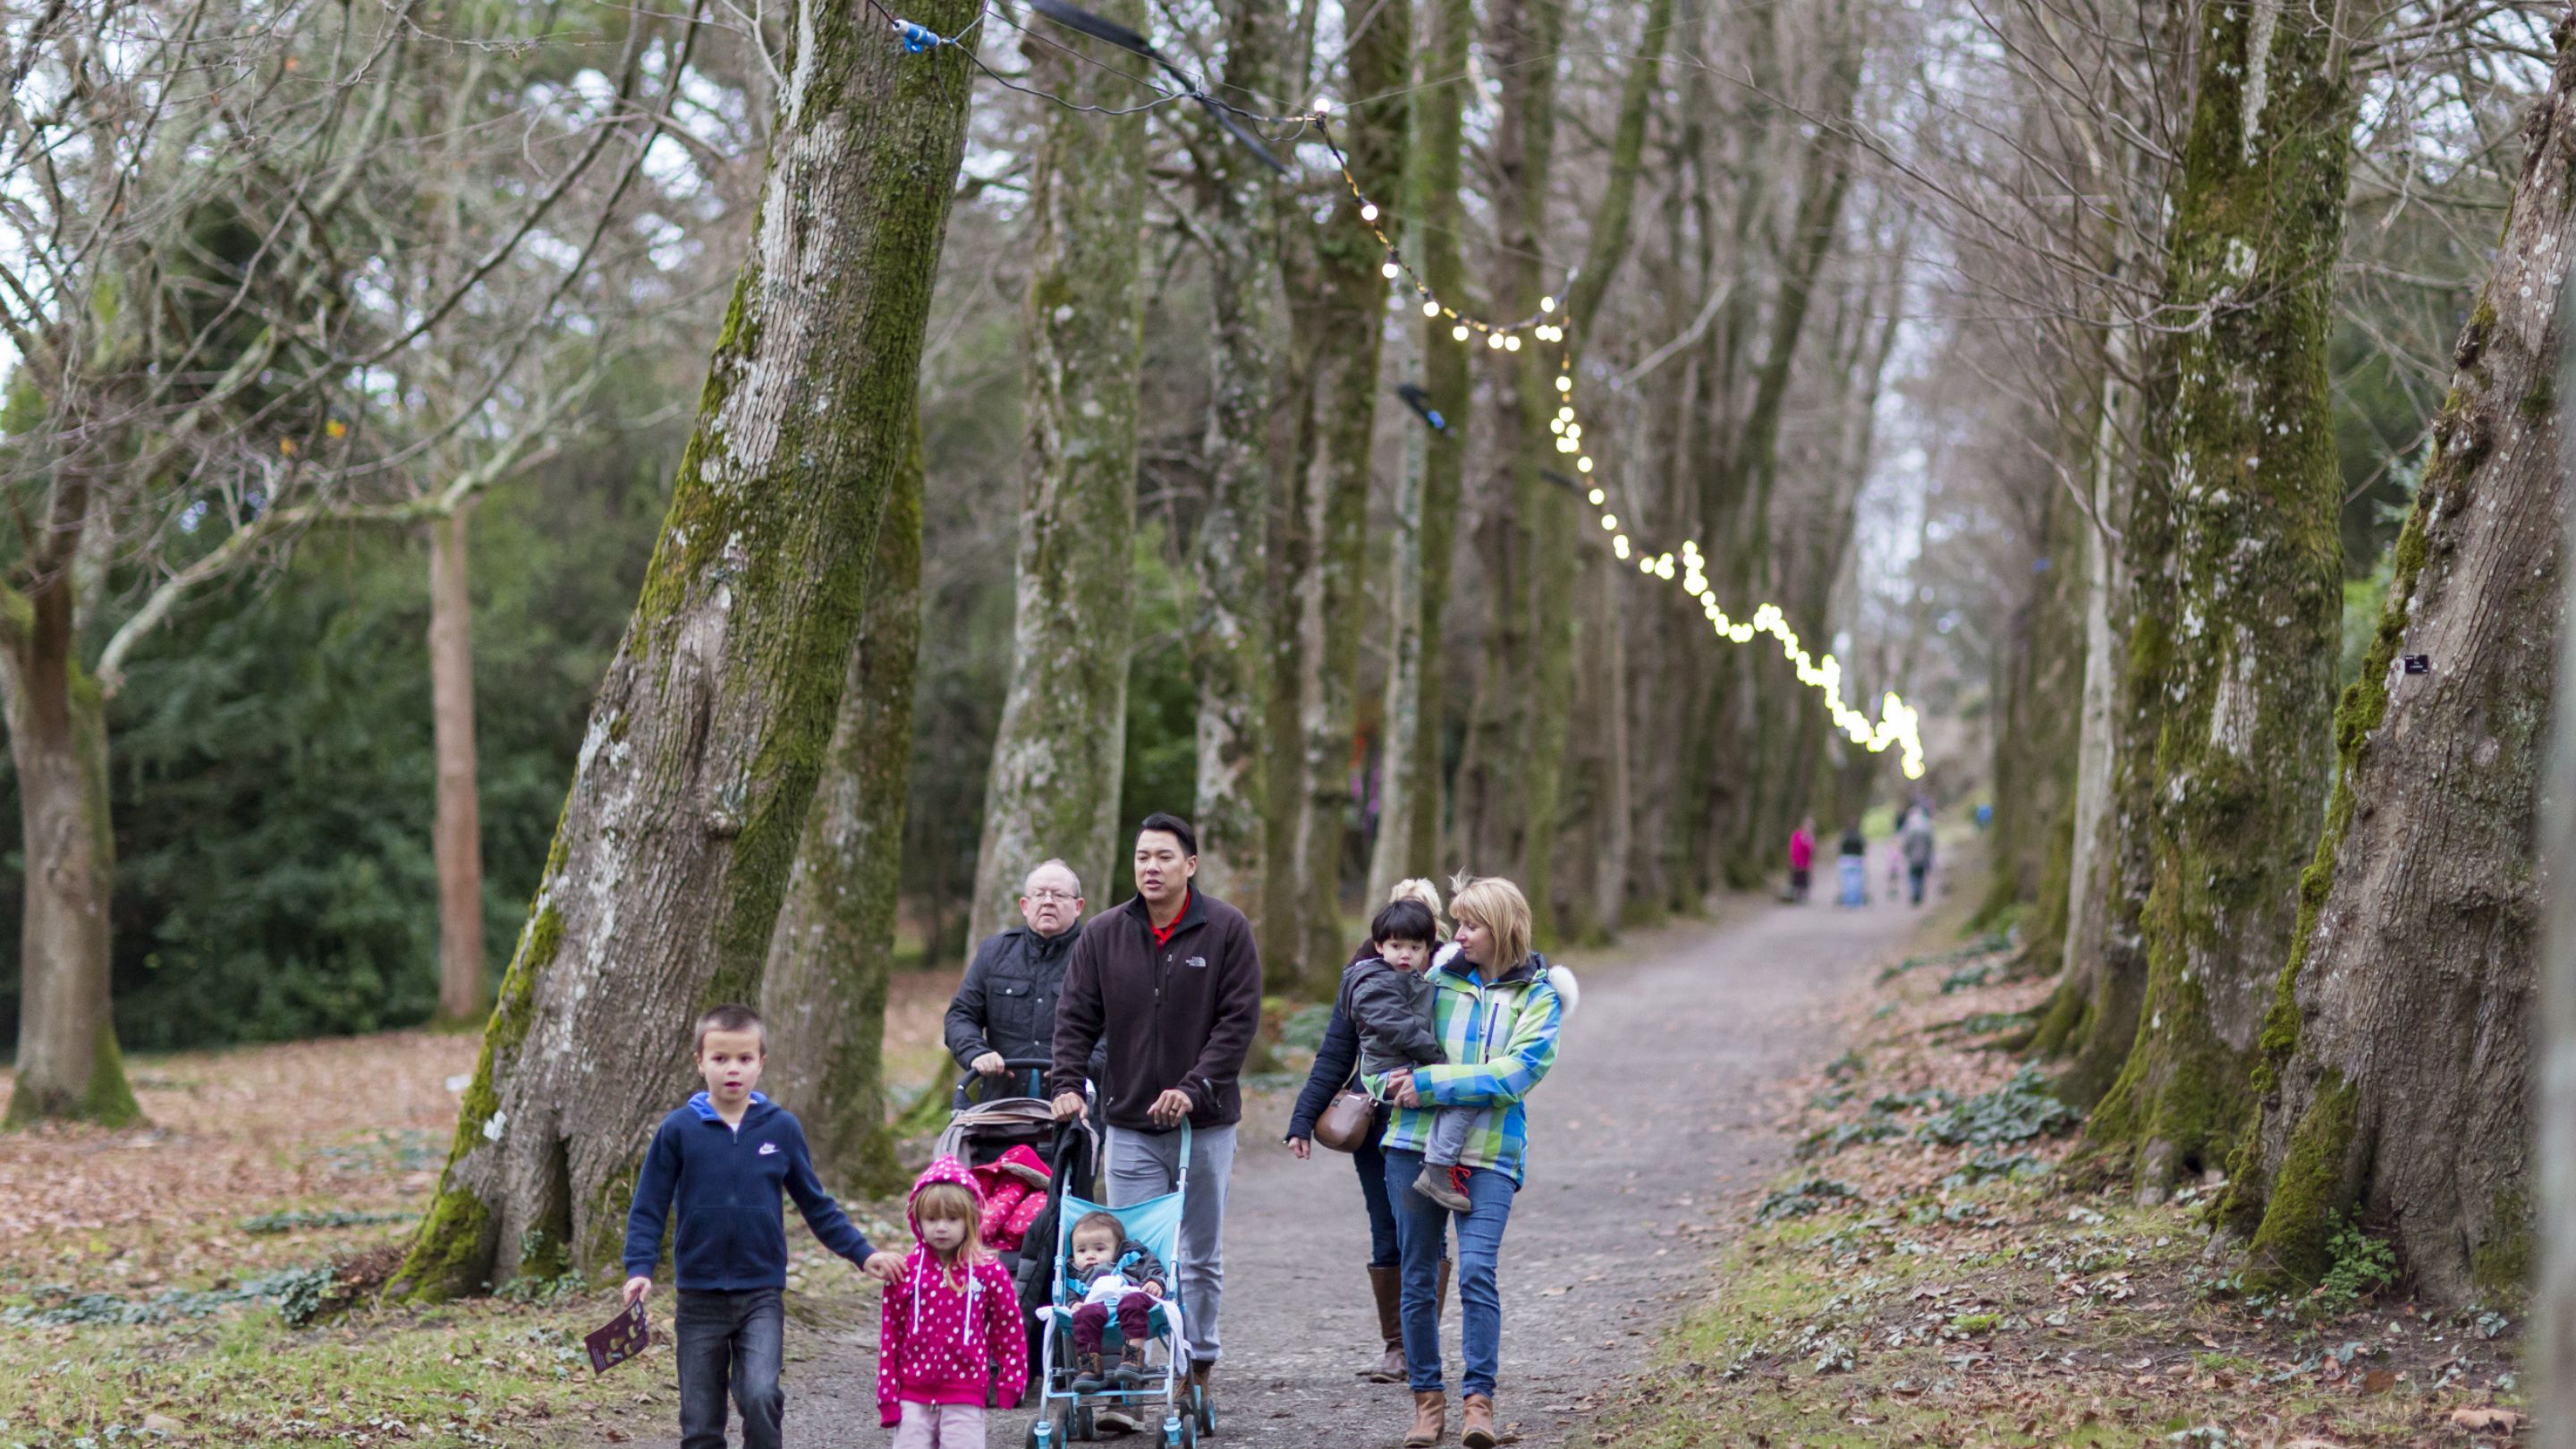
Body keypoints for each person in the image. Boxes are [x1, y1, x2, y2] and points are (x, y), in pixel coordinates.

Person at [622, 1004, 907, 1449]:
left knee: (760, 1394)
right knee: (700, 1423)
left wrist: (863, 1253)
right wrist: (639, 1268)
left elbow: (816, 1204)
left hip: (761, 1294)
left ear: (761, 1063)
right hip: (698, 1297)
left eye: (744, 1058)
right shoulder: (678, 1130)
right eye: (720, 1058)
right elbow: (648, 1206)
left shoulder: (781, 1128)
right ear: (699, 1062)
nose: (732, 1069)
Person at [1051, 812, 1261, 1395]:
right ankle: (1128, 1379)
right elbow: (1075, 1018)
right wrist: (1066, 1083)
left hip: (1206, 1125)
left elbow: (1237, 1022)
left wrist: (1193, 1088)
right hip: (1130, 1123)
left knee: (1197, 1256)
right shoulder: (1103, 933)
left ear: (1189, 865)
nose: (1151, 867)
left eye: (1164, 856)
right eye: (1142, 856)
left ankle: (1197, 1364)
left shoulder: (1226, 929)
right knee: (1122, 1258)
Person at [1377, 877, 1565, 1449]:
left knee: (1478, 1272)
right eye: (1458, 923)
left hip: (1491, 1154)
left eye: (1470, 925)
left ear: (1502, 928)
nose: (1456, 935)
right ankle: (1427, 1403)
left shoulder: (1540, 997)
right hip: (1412, 1148)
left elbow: (1515, 1075)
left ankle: (1478, 1403)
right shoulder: (1433, 981)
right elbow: (1378, 1059)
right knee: (1416, 1275)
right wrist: (1389, 1084)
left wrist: (1430, 1083)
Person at [1287, 878, 1457, 1385]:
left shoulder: (1452, 977)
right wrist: (1302, 1118)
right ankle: (1397, 1347)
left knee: (1427, 1231)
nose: (1406, 948)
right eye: (1397, 934)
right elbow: (1335, 1054)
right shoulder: (1362, 978)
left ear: (1432, 932)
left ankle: (1421, 1345)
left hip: (1432, 1119)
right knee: (1385, 1227)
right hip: (1377, 1121)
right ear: (1384, 936)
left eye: (1420, 929)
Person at [1338, 898, 1490, 1214]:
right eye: (1396, 946)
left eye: (1415, 947)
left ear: (1427, 950)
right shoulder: (1374, 983)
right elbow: (1401, 1030)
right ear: (1379, 946)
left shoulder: (1406, 978)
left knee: (1456, 1095)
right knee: (1464, 1096)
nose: (1405, 954)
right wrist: (1440, 1065)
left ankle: (1439, 1164)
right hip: (1391, 1069)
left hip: (1403, 1064)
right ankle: (1438, 1168)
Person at [877, 1156, 1028, 1447]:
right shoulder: (905, 1272)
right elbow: (890, 1336)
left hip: (966, 1393)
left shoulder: (988, 1271)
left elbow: (1008, 1328)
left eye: (952, 1219)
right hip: (912, 1394)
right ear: (917, 1219)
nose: (941, 1228)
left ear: (970, 1219)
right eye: (932, 1219)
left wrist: (1010, 1382)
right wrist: (887, 1397)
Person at [945, 859, 1101, 1106]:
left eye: (1059, 895)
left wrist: (1082, 1066)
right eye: (1039, 894)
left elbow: (1121, 1028)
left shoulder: (1099, 956)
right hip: (1002, 1105)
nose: (1048, 901)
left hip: (1077, 1104)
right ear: (1025, 906)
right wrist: (976, 1053)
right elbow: (960, 1015)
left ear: (1078, 906)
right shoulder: (993, 952)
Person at [1062, 1208, 1168, 1391]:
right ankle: (1090, 1367)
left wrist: (1155, 1281)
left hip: (1129, 1299)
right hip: (1095, 1307)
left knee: (1135, 1300)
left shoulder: (1132, 1259)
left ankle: (1133, 1358)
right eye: (1082, 1250)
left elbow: (1154, 1269)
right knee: (1084, 1315)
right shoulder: (1074, 1273)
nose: (1090, 1255)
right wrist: (1073, 1303)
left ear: (1117, 1249)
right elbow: (1067, 1291)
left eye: (1099, 1249)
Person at [1903, 804, 1936, 907]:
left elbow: (1907, 842)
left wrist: (1906, 852)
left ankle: (1915, 894)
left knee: (1913, 876)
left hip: (1913, 857)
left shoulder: (1910, 826)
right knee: (1921, 876)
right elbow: (1930, 843)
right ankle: (1919, 895)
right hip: (1924, 857)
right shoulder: (1926, 825)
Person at [1836, 825, 1868, 908]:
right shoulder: (1859, 837)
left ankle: (1847, 901)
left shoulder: (1844, 837)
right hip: (1857, 861)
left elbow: (1839, 848)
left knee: (1846, 882)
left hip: (1846, 861)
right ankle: (1857, 901)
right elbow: (1864, 847)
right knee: (1857, 882)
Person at [1787, 818, 1816, 903]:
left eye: (1810, 827)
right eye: (1808, 826)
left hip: (1805, 863)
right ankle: (1796, 896)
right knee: (1796, 880)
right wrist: (1792, 860)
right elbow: (1792, 848)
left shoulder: (1810, 838)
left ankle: (1803, 896)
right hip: (1796, 861)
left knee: (1804, 881)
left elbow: (1812, 851)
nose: (1809, 828)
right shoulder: (1797, 835)